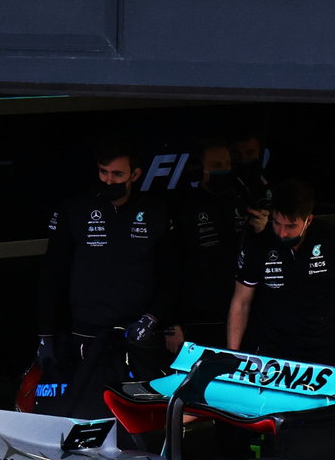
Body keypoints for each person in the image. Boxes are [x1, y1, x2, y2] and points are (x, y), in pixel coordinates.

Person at [35, 138, 180, 415]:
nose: (109, 180)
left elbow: (171, 275)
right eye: (104, 172)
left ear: (135, 175)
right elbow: (52, 274)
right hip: (87, 334)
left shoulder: (155, 212)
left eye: (117, 174)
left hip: (137, 335)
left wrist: (157, 318)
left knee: (140, 414)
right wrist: (46, 334)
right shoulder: (75, 209)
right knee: (89, 412)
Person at [227, 179, 335, 372]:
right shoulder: (257, 244)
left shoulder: (331, 238)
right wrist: (231, 353)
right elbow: (241, 301)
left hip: (323, 349)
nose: (282, 233)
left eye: (291, 226)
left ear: (308, 220)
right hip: (272, 351)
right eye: (276, 223)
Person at [173, 138, 251, 347]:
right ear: (199, 170)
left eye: (227, 164)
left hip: (240, 310)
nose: (224, 170)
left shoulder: (241, 199)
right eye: (217, 165)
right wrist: (173, 321)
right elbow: (173, 267)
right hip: (199, 314)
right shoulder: (185, 207)